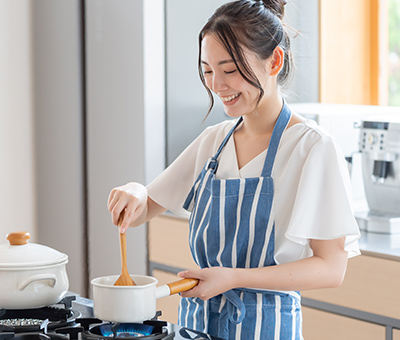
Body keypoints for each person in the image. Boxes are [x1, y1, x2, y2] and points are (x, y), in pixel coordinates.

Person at [107, 0, 361, 339]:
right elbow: (145, 207)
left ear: (274, 61)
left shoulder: (312, 147)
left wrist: (236, 278)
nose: (216, 85)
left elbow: (331, 269)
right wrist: (136, 191)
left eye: (229, 70)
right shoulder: (215, 142)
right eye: (208, 70)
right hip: (198, 327)